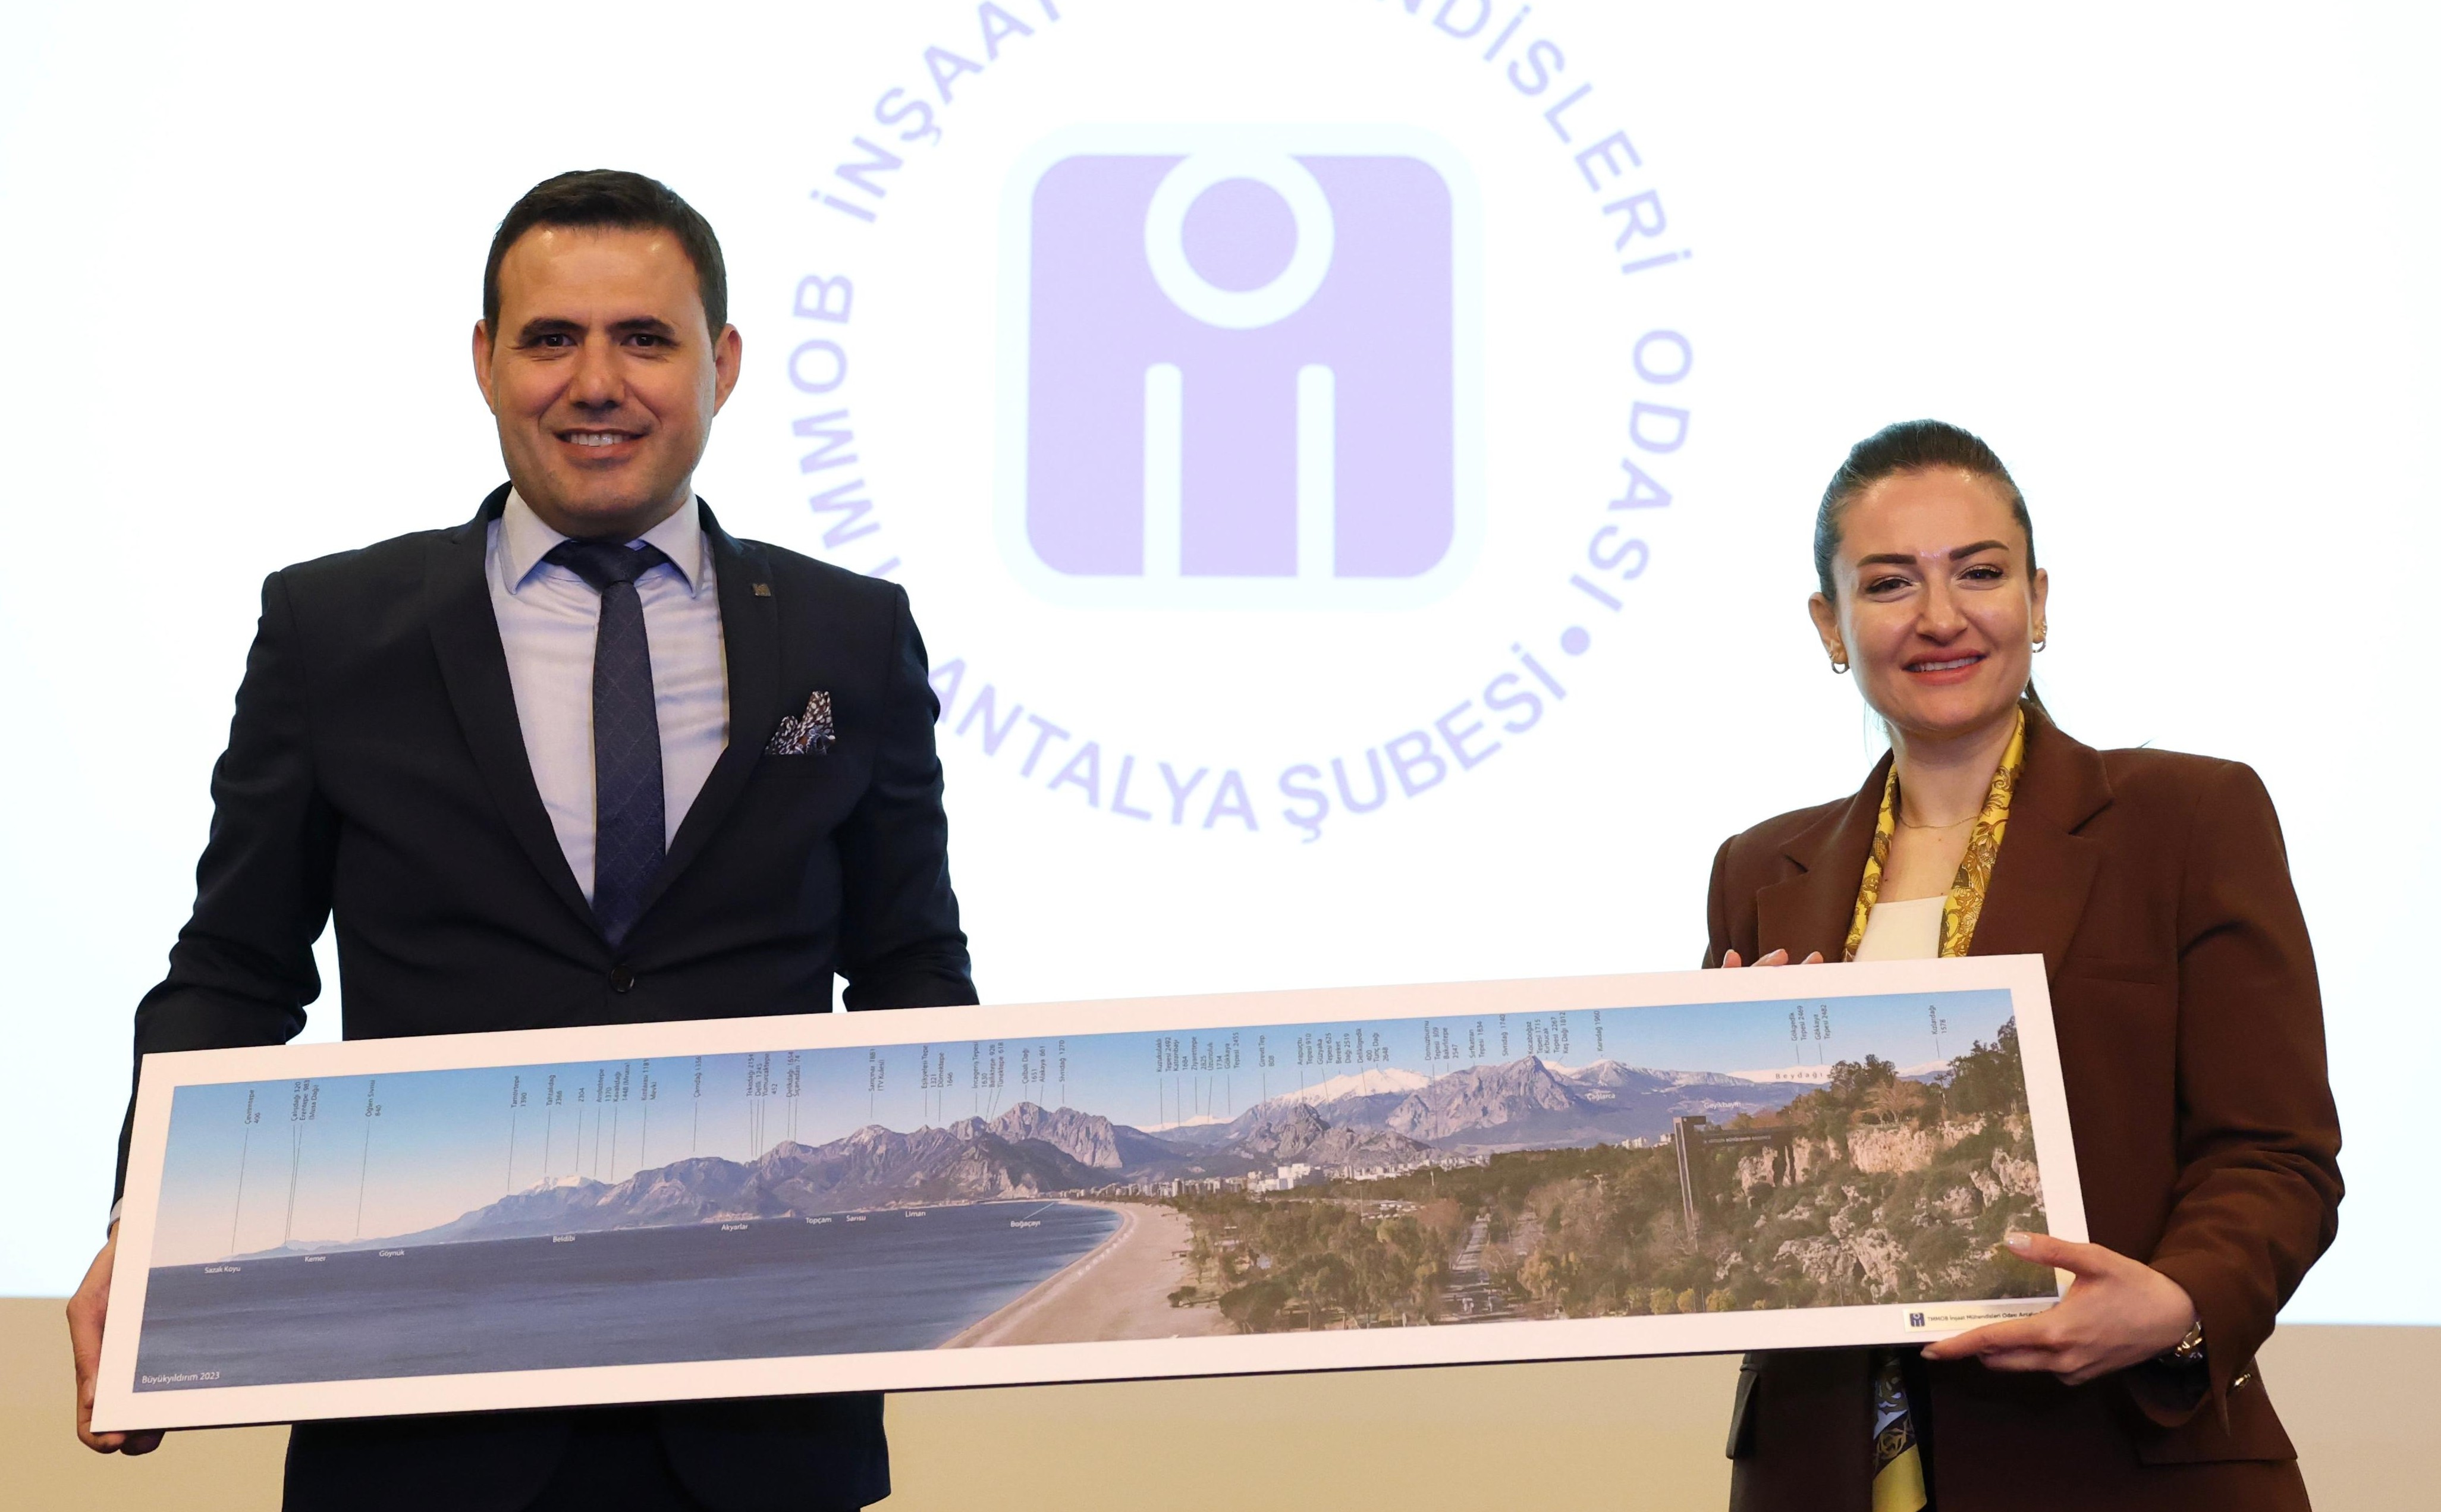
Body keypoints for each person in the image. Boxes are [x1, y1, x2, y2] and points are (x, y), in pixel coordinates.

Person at [65, 169, 973, 1512]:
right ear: (486, 361)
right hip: (419, 1418)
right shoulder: (332, 631)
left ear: (722, 363)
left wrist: (949, 1214)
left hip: (765, 1419)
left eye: (644, 338)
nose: (596, 383)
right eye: (552, 339)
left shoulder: (853, 632)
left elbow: (909, 973)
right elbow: (233, 973)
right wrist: (146, 1229)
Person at [1702, 420, 2341, 1511]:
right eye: (1888, 583)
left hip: (2117, 1456)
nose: (1939, 617)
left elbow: (2276, 1153)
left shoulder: (2188, 818)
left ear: (2036, 601)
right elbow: (1730, 1224)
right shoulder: (1760, 869)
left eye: (1980, 573)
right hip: (1822, 1469)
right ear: (1830, 624)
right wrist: (1739, 1100)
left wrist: (2176, 1304)